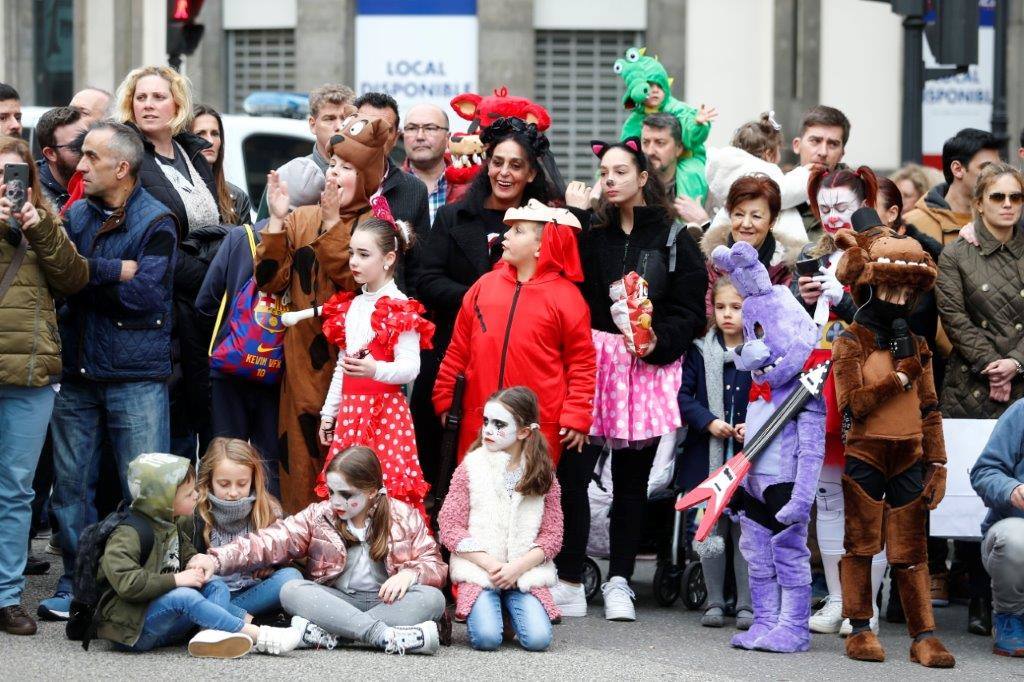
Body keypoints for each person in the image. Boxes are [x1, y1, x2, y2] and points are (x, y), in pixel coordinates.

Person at [559, 139, 706, 622]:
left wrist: (657, 341)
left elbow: (688, 312)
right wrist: (575, 219)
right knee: (574, 475)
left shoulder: (674, 237)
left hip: (643, 365)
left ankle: (621, 579)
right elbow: (569, 285)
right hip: (591, 359)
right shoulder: (593, 231)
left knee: (630, 482)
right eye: (604, 171)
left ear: (644, 177)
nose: (610, 179)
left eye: (621, 171)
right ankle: (572, 576)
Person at [41, 121, 178, 622]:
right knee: (71, 489)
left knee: (145, 489)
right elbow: (58, 277)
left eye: (92, 158)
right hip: (77, 372)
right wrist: (106, 270)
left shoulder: (157, 220)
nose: (80, 166)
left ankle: (141, 586)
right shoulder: (75, 213)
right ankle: (78, 584)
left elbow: (144, 296)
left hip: (134, 375)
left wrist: (84, 272)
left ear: (121, 167)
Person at [830, 225, 954, 667]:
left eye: (906, 292)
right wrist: (899, 375)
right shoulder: (849, 341)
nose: (899, 299)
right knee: (861, 544)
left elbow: (930, 409)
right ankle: (860, 628)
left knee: (912, 550)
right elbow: (855, 403)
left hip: (910, 455)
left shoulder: (919, 344)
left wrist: (937, 461)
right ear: (870, 286)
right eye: (890, 289)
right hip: (866, 452)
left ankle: (924, 635)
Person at [189, 445, 448, 656]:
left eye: (346, 494)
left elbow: (435, 565)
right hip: (337, 600)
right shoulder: (319, 514)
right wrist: (217, 558)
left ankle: (336, 634)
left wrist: (411, 574)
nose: (336, 501)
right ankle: (383, 636)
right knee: (292, 589)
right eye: (331, 491)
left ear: (370, 491)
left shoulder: (403, 515)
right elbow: (269, 540)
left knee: (433, 598)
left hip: (389, 602)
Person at [255, 113, 391, 513]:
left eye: (347, 168)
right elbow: (269, 281)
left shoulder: (378, 225)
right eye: (332, 164)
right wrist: (278, 221)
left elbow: (356, 281)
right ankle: (301, 551)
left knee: (348, 460)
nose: (334, 174)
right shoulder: (302, 218)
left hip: (352, 368)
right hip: (300, 366)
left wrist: (333, 223)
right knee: (297, 459)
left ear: (366, 177)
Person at [415, 116, 554, 496]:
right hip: (453, 356)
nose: (504, 173)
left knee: (515, 471)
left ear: (530, 173)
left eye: (515, 165)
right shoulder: (452, 216)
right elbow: (427, 280)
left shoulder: (544, 224)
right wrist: (483, 299)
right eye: (497, 162)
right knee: (448, 469)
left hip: (519, 363)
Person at [0, 136, 88, 636]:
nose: (7, 186)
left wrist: (40, 230)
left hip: (31, 373)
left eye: (15, 175)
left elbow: (73, 278)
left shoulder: (45, 222)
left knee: (15, 491)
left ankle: (7, 596)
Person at [432, 199, 595, 466]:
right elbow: (458, 348)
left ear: (543, 246)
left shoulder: (568, 298)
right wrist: (445, 396)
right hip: (479, 420)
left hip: (536, 429)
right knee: (478, 495)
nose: (505, 235)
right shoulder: (483, 286)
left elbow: (582, 363)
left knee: (525, 499)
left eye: (518, 231)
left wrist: (576, 414)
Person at [95, 452, 307, 658]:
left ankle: (209, 636)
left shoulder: (170, 524)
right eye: (188, 494)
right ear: (162, 500)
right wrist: (177, 579)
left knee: (215, 584)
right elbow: (127, 583)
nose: (196, 495)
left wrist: (197, 566)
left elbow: (189, 559)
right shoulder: (127, 533)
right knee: (184, 595)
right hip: (133, 631)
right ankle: (260, 634)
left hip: (168, 625)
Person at [115, 65, 224, 460]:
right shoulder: (129, 156)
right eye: (140, 97)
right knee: (171, 439)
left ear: (177, 104)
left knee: (202, 424)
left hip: (200, 309)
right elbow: (142, 242)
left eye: (158, 96)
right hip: (162, 311)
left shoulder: (191, 152)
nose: (148, 105)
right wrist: (211, 276)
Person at [936, 162, 1024, 637]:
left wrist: (1016, 365)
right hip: (969, 387)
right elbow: (953, 314)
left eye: (1016, 197)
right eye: (998, 197)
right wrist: (991, 364)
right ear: (981, 201)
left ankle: (1011, 597)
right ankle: (976, 596)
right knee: (975, 491)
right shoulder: (956, 254)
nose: (1008, 205)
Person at [316, 217, 433, 520]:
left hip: (385, 415)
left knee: (386, 490)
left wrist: (375, 369)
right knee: (348, 490)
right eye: (352, 252)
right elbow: (343, 367)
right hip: (351, 416)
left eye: (363, 255)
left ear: (389, 259)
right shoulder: (352, 306)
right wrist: (329, 413)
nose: (353, 261)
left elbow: (410, 368)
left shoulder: (400, 305)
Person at [439, 387, 564, 651]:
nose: (488, 430)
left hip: (524, 573)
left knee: (538, 640)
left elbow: (552, 535)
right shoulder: (471, 467)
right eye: (486, 421)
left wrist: (517, 568)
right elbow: (449, 526)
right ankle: (493, 608)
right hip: (481, 570)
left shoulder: (543, 474)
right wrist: (492, 565)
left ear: (523, 432)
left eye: (499, 424)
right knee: (487, 639)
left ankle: (508, 608)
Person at [676, 277, 753, 630]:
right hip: (706, 457)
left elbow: (769, 394)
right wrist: (709, 422)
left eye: (735, 308)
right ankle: (715, 600)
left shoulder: (760, 351)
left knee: (745, 531)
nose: (727, 315)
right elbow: (683, 396)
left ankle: (748, 604)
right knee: (710, 529)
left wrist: (750, 427)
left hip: (748, 456)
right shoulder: (699, 351)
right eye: (721, 307)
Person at [192, 438, 300, 619]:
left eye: (242, 484)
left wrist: (273, 567)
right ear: (209, 481)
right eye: (224, 484)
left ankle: (224, 618)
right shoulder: (198, 513)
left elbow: (286, 552)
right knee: (199, 594)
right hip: (213, 594)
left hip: (253, 593)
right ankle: (243, 621)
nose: (233, 492)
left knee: (291, 576)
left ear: (253, 480)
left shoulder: (268, 509)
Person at [614, 46, 716, 202]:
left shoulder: (676, 107)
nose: (654, 90)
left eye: (659, 86)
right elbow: (625, 148)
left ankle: (687, 219)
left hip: (689, 157)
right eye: (650, 86)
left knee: (691, 174)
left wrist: (697, 124)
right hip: (649, 167)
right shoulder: (635, 120)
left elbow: (690, 126)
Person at [353, 92, 430, 297]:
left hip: (391, 312)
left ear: (396, 137)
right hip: (336, 310)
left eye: (384, 129)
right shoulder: (332, 181)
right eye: (367, 125)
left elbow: (418, 267)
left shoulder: (414, 190)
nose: (374, 136)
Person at [701, 174, 802, 318]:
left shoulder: (785, 267)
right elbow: (708, 318)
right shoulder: (713, 262)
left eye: (756, 216)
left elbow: (784, 322)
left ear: (772, 221)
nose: (746, 224)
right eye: (739, 214)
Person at [969, 398, 1024, 657]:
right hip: (1017, 526)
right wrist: (1012, 490)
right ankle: (1010, 615)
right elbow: (984, 472)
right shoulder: (1021, 411)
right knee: (1015, 541)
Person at [255, 84, 355, 220]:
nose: (338, 126)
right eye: (330, 119)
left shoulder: (365, 175)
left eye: (344, 119)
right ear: (313, 125)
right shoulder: (289, 177)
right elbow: (262, 235)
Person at [905, 128, 1000, 247]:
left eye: (998, 169)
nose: (997, 176)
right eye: (987, 168)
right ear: (957, 169)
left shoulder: (1003, 221)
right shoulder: (912, 225)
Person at [791, 105, 851, 242]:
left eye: (833, 144)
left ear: (842, 154)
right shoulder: (776, 191)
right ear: (796, 145)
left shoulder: (860, 195)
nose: (823, 152)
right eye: (815, 141)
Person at [191, 104, 252, 225]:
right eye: (200, 134)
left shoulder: (238, 198)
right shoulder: (176, 194)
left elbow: (245, 243)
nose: (210, 141)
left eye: (215, 133)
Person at [402, 103, 450, 223]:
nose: (420, 136)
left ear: (447, 137)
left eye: (430, 128)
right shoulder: (389, 185)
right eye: (412, 128)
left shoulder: (468, 185)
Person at [34, 106, 88, 213]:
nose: (86, 150)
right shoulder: (32, 194)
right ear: (50, 154)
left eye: (88, 140)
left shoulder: (100, 180)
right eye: (77, 145)